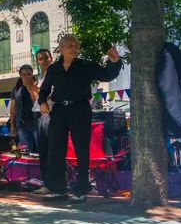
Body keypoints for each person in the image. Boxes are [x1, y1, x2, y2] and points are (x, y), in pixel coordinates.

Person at [38, 34, 122, 203]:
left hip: (80, 108)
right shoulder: (54, 68)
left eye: (76, 45)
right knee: (55, 150)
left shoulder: (86, 65)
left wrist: (114, 62)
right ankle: (58, 189)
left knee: (82, 150)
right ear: (61, 48)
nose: (75, 48)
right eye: (70, 45)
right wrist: (42, 102)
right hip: (60, 109)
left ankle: (81, 190)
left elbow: (106, 75)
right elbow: (45, 89)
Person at [32, 48, 54, 193]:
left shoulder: (53, 75)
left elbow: (48, 95)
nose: (44, 61)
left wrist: (31, 87)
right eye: (40, 58)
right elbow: (38, 100)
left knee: (48, 152)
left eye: (46, 58)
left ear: (51, 58)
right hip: (40, 115)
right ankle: (48, 182)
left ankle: (51, 184)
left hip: (48, 115)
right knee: (43, 151)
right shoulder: (42, 76)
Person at [9, 65, 39, 152]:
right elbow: (12, 109)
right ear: (20, 75)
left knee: (40, 149)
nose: (26, 76)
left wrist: (31, 87)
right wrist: (12, 125)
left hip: (36, 123)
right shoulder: (16, 89)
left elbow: (37, 100)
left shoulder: (36, 86)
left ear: (32, 74)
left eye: (29, 74)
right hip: (21, 125)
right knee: (26, 150)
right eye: (24, 74)